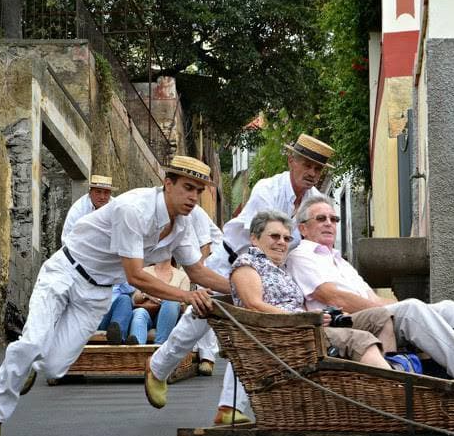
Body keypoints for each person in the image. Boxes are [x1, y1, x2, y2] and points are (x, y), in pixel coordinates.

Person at [0, 156, 230, 436]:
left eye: (198, 191)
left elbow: (197, 270)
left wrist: (238, 290)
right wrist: (187, 295)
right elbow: (135, 276)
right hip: (66, 272)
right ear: (167, 184)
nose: (193, 197)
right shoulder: (133, 209)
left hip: (97, 292)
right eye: (188, 187)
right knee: (31, 343)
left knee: (56, 367)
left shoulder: (183, 225)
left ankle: (29, 365)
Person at [146, 134, 334, 411]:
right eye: (307, 165)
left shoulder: (315, 200)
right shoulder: (267, 188)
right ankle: (158, 368)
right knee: (197, 319)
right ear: (291, 160)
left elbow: (310, 241)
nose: (312, 173)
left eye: (318, 169)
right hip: (234, 260)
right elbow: (265, 236)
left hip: (270, 272)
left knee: (249, 333)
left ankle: (229, 408)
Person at [287, 194, 454, 380]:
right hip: (346, 320)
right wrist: (392, 310)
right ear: (303, 228)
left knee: (446, 307)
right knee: (411, 308)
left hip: (368, 311)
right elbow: (333, 296)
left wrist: (409, 308)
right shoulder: (301, 255)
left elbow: (371, 295)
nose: (329, 223)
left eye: (333, 219)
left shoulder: (340, 260)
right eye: (321, 218)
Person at [219, 211, 396, 424]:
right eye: (274, 236)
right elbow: (254, 305)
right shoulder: (247, 264)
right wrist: (306, 319)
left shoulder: (281, 270)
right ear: (255, 238)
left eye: (286, 238)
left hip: (306, 327)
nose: (281, 242)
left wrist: (322, 316)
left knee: (379, 317)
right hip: (283, 336)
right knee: (360, 340)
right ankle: (395, 394)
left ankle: (386, 383)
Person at [189, 205, 223, 375]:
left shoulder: (195, 212)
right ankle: (197, 350)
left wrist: (197, 273)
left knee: (204, 302)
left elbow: (206, 246)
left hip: (213, 262)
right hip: (199, 263)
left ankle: (207, 357)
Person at [127, 259, 189, 345]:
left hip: (168, 315)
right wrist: (148, 295)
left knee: (171, 303)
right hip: (147, 311)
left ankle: (159, 346)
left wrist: (167, 297)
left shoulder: (182, 276)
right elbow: (135, 300)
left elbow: (184, 307)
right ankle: (137, 351)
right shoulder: (145, 271)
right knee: (139, 312)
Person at [60, 174, 116, 245]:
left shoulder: (116, 207)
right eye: (98, 192)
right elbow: (66, 238)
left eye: (106, 193)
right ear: (90, 193)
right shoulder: (79, 209)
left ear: (110, 194)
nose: (102, 197)